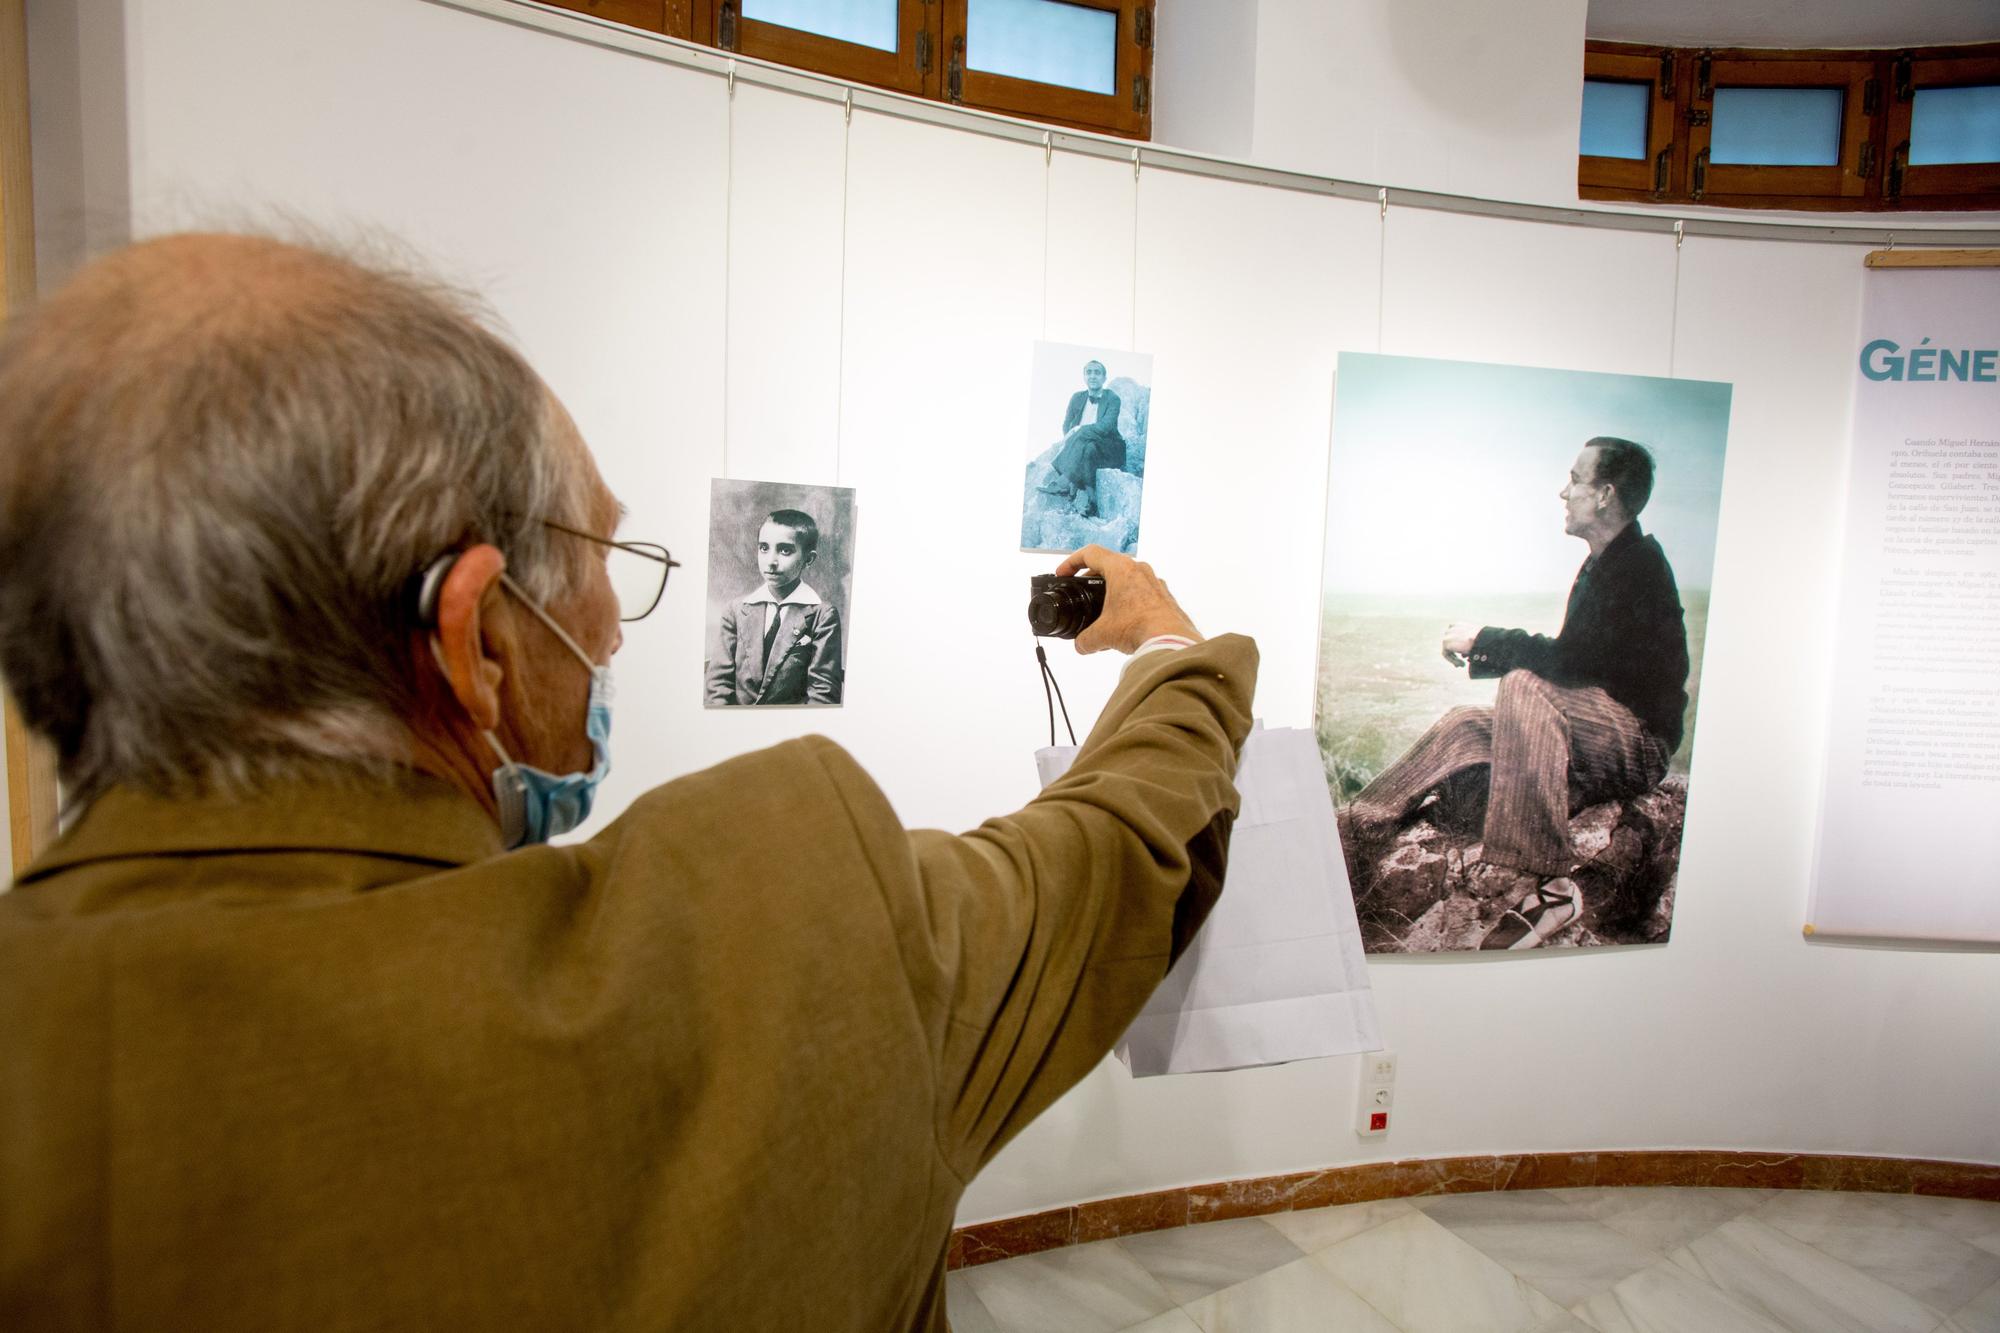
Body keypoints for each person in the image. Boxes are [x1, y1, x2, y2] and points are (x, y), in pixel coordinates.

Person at [0, 235, 1257, 1332]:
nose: (610, 624)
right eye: (600, 554)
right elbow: (1108, 848)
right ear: (474, 641)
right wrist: (1163, 642)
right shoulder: (790, 930)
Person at [1344, 436, 1689, 949]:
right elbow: (1578, 661)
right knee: (1466, 723)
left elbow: (1569, 665)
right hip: (1593, 729)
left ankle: (1552, 886)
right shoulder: (1605, 561)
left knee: (1524, 685)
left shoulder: (1637, 566)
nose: (1562, 491)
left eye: (1575, 479)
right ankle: (1358, 826)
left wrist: (1482, 639)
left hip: (1637, 743)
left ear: (1604, 495)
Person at [703, 506, 843, 706]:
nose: (771, 561)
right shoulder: (736, 610)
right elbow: (717, 685)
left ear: (808, 559)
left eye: (785, 550)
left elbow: (823, 695)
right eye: (764, 548)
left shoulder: (822, 615)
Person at [1044, 359, 1127, 517]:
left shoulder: (1113, 398)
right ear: (1084, 376)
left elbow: (1105, 427)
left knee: (1083, 435)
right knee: (1088, 448)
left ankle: (1064, 482)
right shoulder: (1076, 398)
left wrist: (1079, 430)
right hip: (1088, 449)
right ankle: (1092, 500)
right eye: (1089, 372)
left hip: (1109, 448)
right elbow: (1066, 427)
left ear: (1104, 378)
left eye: (1097, 373)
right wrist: (1073, 435)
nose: (1093, 376)